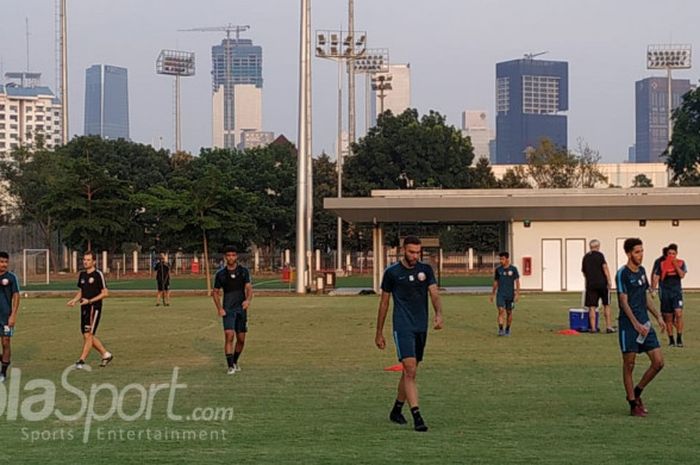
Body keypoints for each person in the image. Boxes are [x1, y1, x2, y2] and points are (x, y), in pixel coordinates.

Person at [375, 236, 444, 432]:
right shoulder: (392, 273)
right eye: (411, 252)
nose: (415, 256)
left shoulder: (426, 270)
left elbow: (434, 293)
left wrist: (439, 314)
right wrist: (379, 332)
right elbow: (384, 303)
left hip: (420, 326)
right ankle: (417, 417)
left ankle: (396, 409)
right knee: (410, 368)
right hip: (402, 326)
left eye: (418, 252)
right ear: (403, 250)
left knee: (409, 371)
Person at [616, 238, 665, 417]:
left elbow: (644, 297)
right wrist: (635, 324)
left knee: (659, 362)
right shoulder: (622, 273)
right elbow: (623, 301)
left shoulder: (643, 271)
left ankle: (637, 391)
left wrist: (658, 316)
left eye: (642, 251)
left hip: (645, 325)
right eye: (637, 252)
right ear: (629, 253)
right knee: (629, 364)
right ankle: (632, 404)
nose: (641, 255)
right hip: (629, 327)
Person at [67, 251, 113, 369]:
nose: (85, 262)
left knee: (89, 335)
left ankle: (81, 360)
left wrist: (90, 301)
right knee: (86, 334)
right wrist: (75, 300)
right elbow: (82, 291)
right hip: (84, 307)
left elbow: (105, 293)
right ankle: (105, 354)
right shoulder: (82, 275)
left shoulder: (98, 275)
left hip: (94, 308)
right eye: (84, 260)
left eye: (88, 260)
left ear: (94, 261)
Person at [212, 245, 253, 375]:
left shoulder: (243, 272)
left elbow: (249, 289)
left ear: (236, 257)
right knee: (229, 335)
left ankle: (235, 361)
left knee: (241, 339)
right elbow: (215, 292)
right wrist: (219, 308)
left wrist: (247, 300)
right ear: (225, 257)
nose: (231, 257)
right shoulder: (220, 274)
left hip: (241, 309)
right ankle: (230, 366)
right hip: (228, 309)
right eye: (228, 255)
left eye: (233, 255)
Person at [655, 243, 687, 347]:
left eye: (673, 253)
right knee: (668, 318)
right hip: (665, 293)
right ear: (667, 254)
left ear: (676, 254)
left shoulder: (681, 263)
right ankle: (671, 340)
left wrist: (675, 264)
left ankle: (679, 338)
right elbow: (657, 276)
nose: (671, 255)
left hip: (676, 293)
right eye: (669, 253)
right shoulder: (662, 264)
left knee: (678, 314)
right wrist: (653, 288)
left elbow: (682, 275)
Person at [581, 239, 615, 333]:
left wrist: (589, 279)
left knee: (592, 306)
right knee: (606, 304)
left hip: (591, 284)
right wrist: (609, 281)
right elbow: (605, 268)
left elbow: (583, 271)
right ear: (598, 246)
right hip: (602, 283)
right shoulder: (600, 255)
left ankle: (593, 328)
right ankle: (608, 326)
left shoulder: (586, 257)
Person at [0, 252, 20, 383]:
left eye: (6, 262)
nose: (4, 264)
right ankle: (4, 359)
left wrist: (13, 315)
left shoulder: (11, 277)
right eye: (1, 261)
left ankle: (3, 372)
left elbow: (16, 296)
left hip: (6, 316)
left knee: (5, 342)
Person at [490, 252, 520, 336]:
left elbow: (517, 281)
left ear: (507, 259)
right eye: (500, 259)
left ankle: (507, 329)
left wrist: (517, 293)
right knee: (500, 310)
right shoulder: (498, 270)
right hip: (500, 294)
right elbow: (496, 282)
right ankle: (500, 329)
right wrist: (492, 294)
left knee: (509, 312)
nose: (501, 261)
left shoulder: (513, 269)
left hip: (510, 295)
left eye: (502, 259)